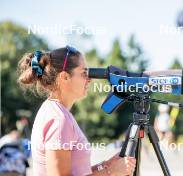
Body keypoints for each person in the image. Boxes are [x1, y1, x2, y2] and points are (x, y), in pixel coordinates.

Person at [17, 46, 136, 176]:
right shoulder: (58, 120)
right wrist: (110, 172)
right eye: (84, 73)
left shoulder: (56, 112)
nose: (90, 79)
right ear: (65, 77)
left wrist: (107, 165)